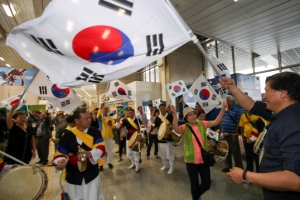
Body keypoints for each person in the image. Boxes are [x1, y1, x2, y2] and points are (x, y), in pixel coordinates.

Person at [220, 72, 300, 199]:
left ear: (283, 93)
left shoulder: (293, 125)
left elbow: (295, 180)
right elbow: (251, 105)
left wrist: (246, 175)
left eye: (267, 91)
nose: (264, 96)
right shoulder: (282, 115)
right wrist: (232, 87)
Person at [170, 103, 226, 200]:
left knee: (207, 184)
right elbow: (176, 129)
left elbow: (216, 122)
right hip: (191, 160)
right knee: (194, 183)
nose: (192, 116)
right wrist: (174, 115)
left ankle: (196, 196)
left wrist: (222, 110)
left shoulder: (202, 124)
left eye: (193, 114)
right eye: (190, 115)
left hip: (203, 160)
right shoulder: (185, 127)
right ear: (186, 118)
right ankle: (196, 197)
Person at [53, 108, 106, 200]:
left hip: (91, 174)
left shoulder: (95, 132)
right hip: (73, 175)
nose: (90, 120)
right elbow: (60, 153)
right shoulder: (67, 135)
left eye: (90, 117)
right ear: (76, 121)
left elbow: (100, 147)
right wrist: (61, 161)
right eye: (86, 118)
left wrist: (89, 154)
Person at [116, 108, 143, 172]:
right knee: (129, 153)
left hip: (136, 137)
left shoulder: (137, 120)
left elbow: (142, 126)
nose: (130, 114)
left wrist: (142, 129)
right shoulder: (125, 120)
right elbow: (118, 126)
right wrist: (117, 122)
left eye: (131, 113)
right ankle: (133, 163)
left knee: (135, 153)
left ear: (134, 113)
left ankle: (137, 166)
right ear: (127, 113)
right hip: (128, 138)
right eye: (129, 113)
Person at [221, 95, 243, 172]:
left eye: (227, 100)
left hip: (232, 135)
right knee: (226, 151)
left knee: (235, 152)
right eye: (225, 100)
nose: (226, 102)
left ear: (231, 101)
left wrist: (235, 134)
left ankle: (239, 167)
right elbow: (221, 120)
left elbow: (238, 122)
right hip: (224, 134)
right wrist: (221, 131)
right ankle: (228, 166)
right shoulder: (223, 110)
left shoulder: (236, 110)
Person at [157, 103, 175, 175]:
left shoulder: (170, 116)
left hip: (168, 139)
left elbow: (173, 126)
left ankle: (172, 167)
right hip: (160, 139)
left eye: (163, 108)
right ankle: (165, 165)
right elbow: (157, 128)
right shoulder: (158, 118)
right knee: (163, 155)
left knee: (169, 154)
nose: (162, 110)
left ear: (165, 108)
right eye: (160, 108)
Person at [97, 102, 115, 171]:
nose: (105, 110)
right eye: (104, 109)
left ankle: (109, 163)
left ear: (108, 110)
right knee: (102, 152)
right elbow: (98, 115)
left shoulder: (111, 117)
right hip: (102, 137)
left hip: (110, 137)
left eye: (106, 109)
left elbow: (113, 126)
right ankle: (101, 165)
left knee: (110, 151)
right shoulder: (100, 118)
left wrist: (111, 124)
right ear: (102, 110)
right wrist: (100, 107)